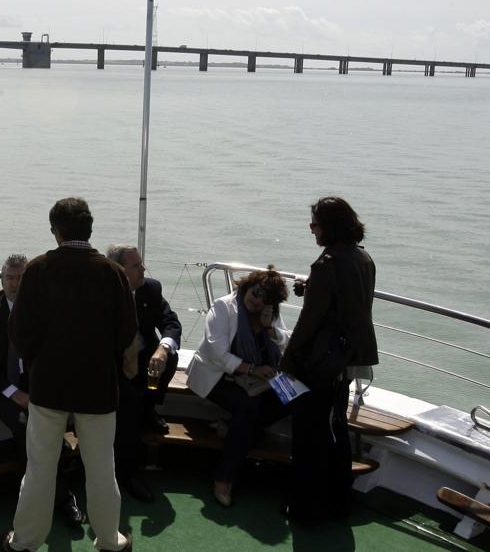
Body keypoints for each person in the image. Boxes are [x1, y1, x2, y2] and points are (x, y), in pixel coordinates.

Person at [2, 198, 137, 552]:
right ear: (88, 229)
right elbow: (126, 334)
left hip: (48, 388)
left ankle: (25, 541)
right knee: (101, 470)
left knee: (40, 468)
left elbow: (20, 333)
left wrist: (39, 362)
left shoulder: (38, 270)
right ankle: (109, 539)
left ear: (56, 231)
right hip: (97, 388)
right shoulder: (111, 273)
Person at [0, 254, 85, 527]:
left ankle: (44, 485)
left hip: (32, 383)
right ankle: (60, 497)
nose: (15, 284)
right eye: (10, 278)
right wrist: (14, 393)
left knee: (54, 415)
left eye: (21, 278)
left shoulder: (41, 307)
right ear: (2, 279)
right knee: (27, 425)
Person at [278, 196, 378, 524]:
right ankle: (338, 501)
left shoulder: (327, 265)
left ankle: (305, 507)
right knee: (335, 430)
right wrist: (313, 287)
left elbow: (309, 321)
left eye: (315, 223)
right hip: (344, 361)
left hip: (318, 364)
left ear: (329, 226)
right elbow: (351, 303)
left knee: (308, 436)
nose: (312, 229)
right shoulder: (363, 259)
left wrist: (287, 359)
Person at [186, 266, 291, 507]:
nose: (257, 300)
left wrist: (269, 328)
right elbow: (216, 352)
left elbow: (286, 341)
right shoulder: (224, 307)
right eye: (256, 292)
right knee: (248, 408)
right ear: (247, 286)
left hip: (257, 377)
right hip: (218, 376)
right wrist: (252, 369)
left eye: (265, 297)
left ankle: (229, 428)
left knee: (294, 396)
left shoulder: (269, 314)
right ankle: (224, 480)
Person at [105, 243, 181, 502]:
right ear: (119, 270)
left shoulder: (151, 289)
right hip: (112, 367)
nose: (143, 269)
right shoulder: (102, 296)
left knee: (169, 358)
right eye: (136, 265)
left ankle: (150, 407)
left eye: (141, 263)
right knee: (129, 406)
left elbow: (170, 322)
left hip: (144, 360)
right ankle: (128, 475)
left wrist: (162, 348)